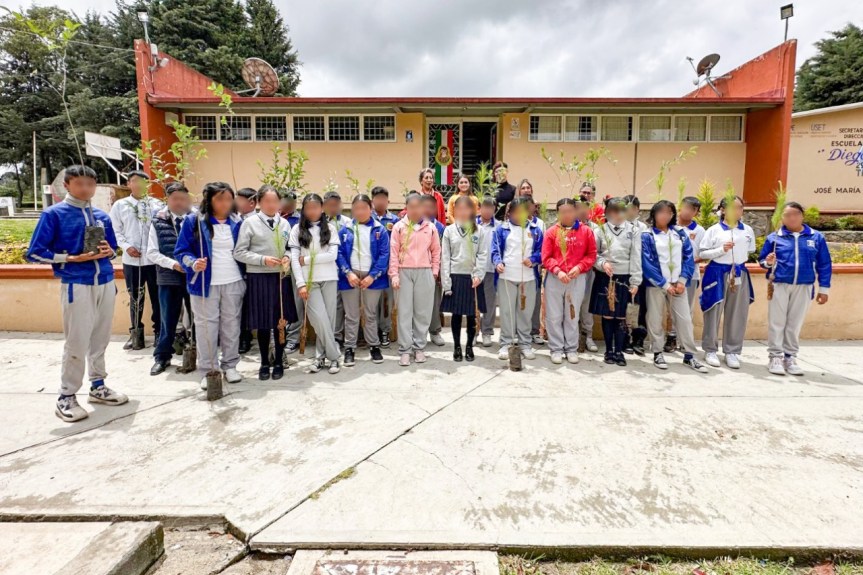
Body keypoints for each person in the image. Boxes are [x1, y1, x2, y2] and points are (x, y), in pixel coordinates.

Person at [27, 165, 127, 422]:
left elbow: (114, 249)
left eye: (90, 184)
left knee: (100, 338)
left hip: (104, 281)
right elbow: (34, 252)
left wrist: (107, 251)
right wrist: (71, 258)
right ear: (68, 185)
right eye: (80, 184)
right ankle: (66, 396)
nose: (86, 189)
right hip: (76, 283)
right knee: (77, 341)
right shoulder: (54, 214)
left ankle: (98, 386)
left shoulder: (101, 216)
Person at [175, 182, 246, 390]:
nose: (225, 203)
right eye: (220, 199)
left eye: (228, 198)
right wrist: (194, 263)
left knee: (231, 324)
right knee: (206, 327)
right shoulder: (194, 221)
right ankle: (208, 370)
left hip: (233, 281)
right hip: (205, 284)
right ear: (209, 200)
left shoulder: (238, 222)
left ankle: (230, 365)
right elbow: (181, 251)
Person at [759, 202, 832, 376]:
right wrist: (768, 262)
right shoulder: (774, 238)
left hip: (804, 285)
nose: (792, 218)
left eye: (795, 214)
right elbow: (762, 262)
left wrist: (824, 289)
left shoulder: (816, 238)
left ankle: (790, 357)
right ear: (782, 218)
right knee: (777, 322)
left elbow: (824, 264)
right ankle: (775, 356)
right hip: (779, 284)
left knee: (795, 323)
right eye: (787, 215)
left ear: (802, 215)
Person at [233, 186, 297, 381]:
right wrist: (263, 260)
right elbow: (239, 252)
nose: (271, 205)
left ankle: (278, 360)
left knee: (280, 322)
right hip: (259, 277)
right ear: (259, 202)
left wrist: (287, 258)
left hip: (280, 278)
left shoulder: (284, 224)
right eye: (267, 201)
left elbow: (290, 248)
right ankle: (263, 362)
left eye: (275, 201)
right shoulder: (249, 223)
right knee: (262, 323)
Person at [641, 200, 709, 373]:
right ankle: (657, 351)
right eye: (661, 212)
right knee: (655, 318)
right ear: (654, 214)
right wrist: (664, 284)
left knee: (685, 319)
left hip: (678, 285)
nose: (665, 215)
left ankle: (689, 355)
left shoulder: (679, 233)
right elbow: (647, 263)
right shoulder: (647, 235)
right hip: (656, 285)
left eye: (669, 212)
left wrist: (682, 280)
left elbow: (688, 256)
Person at [699, 195, 755, 369]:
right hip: (717, 272)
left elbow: (751, 249)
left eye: (739, 207)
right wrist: (720, 250)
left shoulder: (747, 231)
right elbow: (702, 253)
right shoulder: (714, 230)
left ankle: (732, 351)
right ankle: (710, 349)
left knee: (737, 313)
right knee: (713, 311)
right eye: (731, 207)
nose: (736, 211)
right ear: (722, 210)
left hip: (739, 272)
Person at [110, 169, 163, 351]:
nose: (140, 185)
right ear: (128, 184)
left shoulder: (156, 205)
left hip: (154, 261)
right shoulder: (120, 205)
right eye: (136, 181)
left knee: (158, 299)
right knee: (135, 298)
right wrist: (126, 246)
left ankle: (159, 333)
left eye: (144, 182)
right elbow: (115, 231)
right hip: (132, 261)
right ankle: (135, 334)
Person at [289, 193, 342, 374]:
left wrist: (308, 259)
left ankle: (320, 358)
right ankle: (334, 356)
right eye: (308, 207)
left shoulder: (331, 229)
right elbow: (295, 260)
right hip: (309, 282)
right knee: (319, 319)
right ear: (303, 209)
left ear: (322, 208)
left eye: (316, 207)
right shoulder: (296, 230)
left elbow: (332, 256)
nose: (312, 211)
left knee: (328, 321)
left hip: (329, 278)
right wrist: (300, 283)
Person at [541, 197, 597, 365]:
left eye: (570, 211)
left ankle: (571, 348)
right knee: (554, 315)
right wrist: (557, 271)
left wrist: (579, 267)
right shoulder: (552, 232)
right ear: (558, 213)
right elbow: (546, 257)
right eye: (563, 211)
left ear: (575, 211)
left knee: (572, 315)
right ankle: (556, 348)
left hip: (576, 278)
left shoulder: (586, 231)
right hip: (556, 278)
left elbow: (591, 255)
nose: (567, 214)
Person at [336, 194, 390, 367]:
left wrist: (372, 275)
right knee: (351, 315)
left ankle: (373, 345)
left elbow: (384, 254)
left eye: (363, 208)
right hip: (350, 276)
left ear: (371, 208)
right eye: (356, 208)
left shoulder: (379, 229)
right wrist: (348, 273)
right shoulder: (346, 229)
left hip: (372, 277)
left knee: (370, 313)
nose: (360, 212)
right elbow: (339, 253)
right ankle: (349, 347)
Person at [388, 193, 441, 367]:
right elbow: (394, 252)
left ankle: (419, 348)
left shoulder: (430, 227)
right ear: (406, 208)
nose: (415, 210)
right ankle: (404, 350)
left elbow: (436, 251)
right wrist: (394, 274)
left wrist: (434, 272)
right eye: (412, 207)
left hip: (424, 272)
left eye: (419, 206)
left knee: (422, 312)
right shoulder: (399, 227)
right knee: (404, 311)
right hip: (404, 272)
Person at [147, 182, 193, 376]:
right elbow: (151, 252)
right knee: (168, 319)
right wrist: (173, 264)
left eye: (183, 198)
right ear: (167, 199)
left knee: (198, 318)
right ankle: (162, 356)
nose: (179, 202)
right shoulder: (158, 220)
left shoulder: (196, 219)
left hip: (194, 276)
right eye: (175, 199)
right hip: (168, 277)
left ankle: (197, 353)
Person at [590, 197, 642, 366]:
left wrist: (635, 281)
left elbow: (636, 256)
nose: (618, 214)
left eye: (622, 210)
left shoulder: (633, 231)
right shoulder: (600, 231)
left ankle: (619, 351)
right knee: (607, 314)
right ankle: (608, 350)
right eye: (614, 210)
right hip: (606, 276)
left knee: (620, 316)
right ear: (607, 212)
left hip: (624, 277)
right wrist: (602, 264)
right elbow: (594, 255)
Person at [491, 197, 543, 361]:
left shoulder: (535, 230)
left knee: (525, 312)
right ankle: (506, 343)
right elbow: (496, 250)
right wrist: (498, 262)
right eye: (516, 212)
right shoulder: (502, 229)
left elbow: (542, 251)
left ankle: (525, 344)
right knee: (507, 312)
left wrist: (533, 259)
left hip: (527, 278)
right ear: (510, 213)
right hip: (507, 277)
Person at [441, 196, 488, 362]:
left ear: (472, 211)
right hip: (455, 277)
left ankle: (469, 346)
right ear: (454, 211)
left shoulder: (479, 231)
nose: (462, 212)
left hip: (472, 278)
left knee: (471, 316)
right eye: (458, 209)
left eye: (465, 209)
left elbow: (482, 255)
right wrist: (446, 283)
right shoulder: (449, 231)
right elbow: (445, 258)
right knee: (456, 315)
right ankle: (456, 347)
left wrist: (478, 275)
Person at [665, 196, 706, 352]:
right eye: (687, 207)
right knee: (670, 309)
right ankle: (671, 337)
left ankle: (684, 341)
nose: (689, 211)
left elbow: (703, 253)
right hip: (669, 275)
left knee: (685, 310)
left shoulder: (699, 230)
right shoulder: (670, 226)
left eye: (693, 209)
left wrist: (687, 262)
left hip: (690, 275)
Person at [516, 180, 547, 345]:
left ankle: (534, 331)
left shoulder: (540, 224)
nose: (526, 189)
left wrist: (536, 261)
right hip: (515, 268)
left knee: (534, 301)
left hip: (533, 268)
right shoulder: (513, 221)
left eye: (529, 187)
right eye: (523, 187)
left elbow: (543, 247)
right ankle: (516, 331)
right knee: (517, 301)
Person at [371, 186, 399, 348]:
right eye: (377, 198)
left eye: (383, 198)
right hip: (372, 270)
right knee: (372, 303)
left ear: (388, 201)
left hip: (389, 269)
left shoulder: (394, 221)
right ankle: (372, 331)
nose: (380, 201)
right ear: (372, 201)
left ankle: (384, 330)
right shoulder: (368, 219)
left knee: (387, 302)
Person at [623, 194, 649, 355]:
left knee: (641, 308)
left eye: (632, 208)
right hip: (624, 274)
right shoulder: (618, 226)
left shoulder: (644, 229)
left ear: (638, 210)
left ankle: (638, 339)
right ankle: (624, 339)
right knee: (624, 308)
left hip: (641, 274)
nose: (629, 211)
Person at [324, 190, 350, 347]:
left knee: (340, 303)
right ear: (324, 206)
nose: (334, 208)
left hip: (342, 269)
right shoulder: (320, 222)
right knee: (328, 304)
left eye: (336, 205)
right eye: (330, 205)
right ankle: (329, 335)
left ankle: (338, 335)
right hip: (325, 269)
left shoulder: (347, 222)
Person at [236, 186, 259, 355]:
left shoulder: (256, 221)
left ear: (251, 202)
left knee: (249, 305)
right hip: (236, 269)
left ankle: (246, 337)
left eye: (239, 200)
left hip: (254, 268)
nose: (236, 203)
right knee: (238, 305)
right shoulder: (236, 219)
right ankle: (240, 337)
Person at [575, 196, 600, 353]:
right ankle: (573, 338)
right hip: (570, 273)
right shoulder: (567, 227)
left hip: (588, 271)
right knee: (572, 305)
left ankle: (588, 336)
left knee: (586, 304)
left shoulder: (595, 229)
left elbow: (594, 251)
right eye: (578, 207)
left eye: (584, 207)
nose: (581, 211)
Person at [422, 193, 447, 347]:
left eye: (431, 207)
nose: (428, 210)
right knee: (417, 304)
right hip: (417, 269)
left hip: (434, 272)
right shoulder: (414, 225)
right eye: (425, 206)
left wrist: (439, 271)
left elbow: (444, 251)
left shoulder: (440, 228)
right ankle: (419, 332)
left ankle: (434, 331)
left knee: (434, 302)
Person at [476, 197, 499, 347]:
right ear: (479, 208)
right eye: (485, 207)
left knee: (489, 303)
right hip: (474, 270)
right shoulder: (471, 224)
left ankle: (487, 332)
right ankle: (473, 332)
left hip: (491, 269)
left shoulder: (499, 227)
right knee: (473, 303)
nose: (488, 210)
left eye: (491, 208)